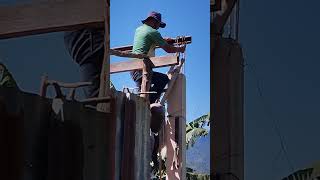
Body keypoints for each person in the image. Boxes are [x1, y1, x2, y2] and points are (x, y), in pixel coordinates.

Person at [131, 11, 185, 103]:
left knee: (140, 94)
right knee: (163, 79)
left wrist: (163, 39)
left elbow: (147, 37)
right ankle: (149, 103)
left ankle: (144, 103)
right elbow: (168, 49)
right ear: (154, 21)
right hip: (142, 69)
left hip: (133, 70)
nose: (158, 28)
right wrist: (180, 49)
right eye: (158, 25)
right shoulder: (153, 32)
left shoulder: (139, 29)